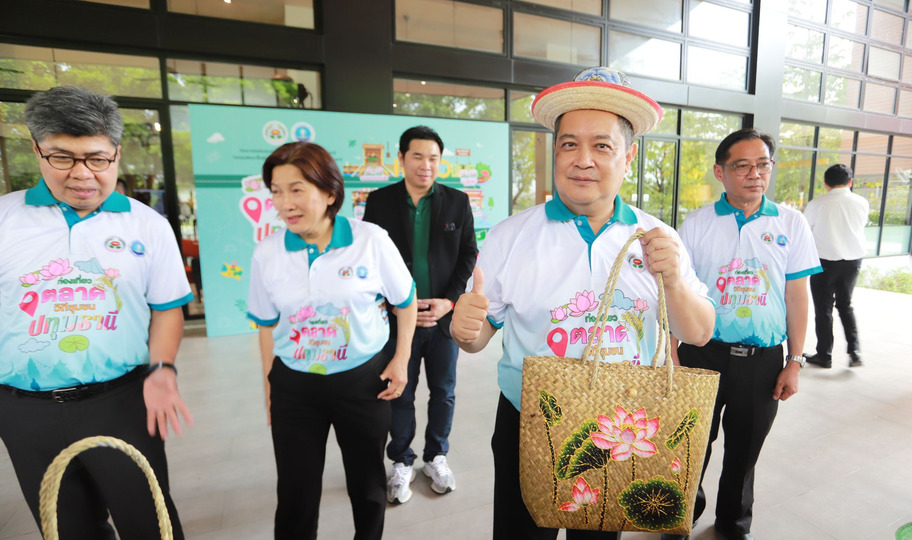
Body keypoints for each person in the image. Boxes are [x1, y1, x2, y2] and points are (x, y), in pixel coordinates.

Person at [450, 67, 716, 540]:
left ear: (628, 157)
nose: (582, 160)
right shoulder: (511, 236)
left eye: (602, 146)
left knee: (599, 534)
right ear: (555, 152)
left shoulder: (657, 237)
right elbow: (479, 336)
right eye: (569, 144)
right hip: (530, 419)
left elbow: (699, 333)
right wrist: (465, 331)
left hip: (622, 424)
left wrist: (673, 281)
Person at [0, 86, 193, 540]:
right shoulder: (5, 219)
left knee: (150, 522)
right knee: (68, 528)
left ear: (116, 154)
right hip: (24, 410)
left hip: (122, 401)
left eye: (97, 158)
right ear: (37, 150)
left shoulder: (148, 225)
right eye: (63, 157)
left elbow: (167, 309)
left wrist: (162, 369)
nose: (82, 174)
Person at [246, 141, 417, 539]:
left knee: (368, 486)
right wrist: (269, 385)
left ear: (328, 192)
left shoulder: (369, 240)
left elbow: (406, 301)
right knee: (295, 492)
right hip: (294, 387)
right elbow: (267, 326)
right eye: (276, 191)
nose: (285, 203)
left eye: (296, 189)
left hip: (363, 382)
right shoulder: (267, 254)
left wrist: (401, 359)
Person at [665, 128, 822, 540]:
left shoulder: (791, 222)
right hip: (702, 354)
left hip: (762, 361)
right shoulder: (696, 223)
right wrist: (672, 354)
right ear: (720, 171)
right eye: (742, 166)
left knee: (745, 450)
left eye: (763, 164)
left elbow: (797, 295)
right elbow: (676, 292)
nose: (755, 174)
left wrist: (795, 361)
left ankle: (733, 524)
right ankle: (679, 519)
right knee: (689, 445)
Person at [363, 125, 477, 503]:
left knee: (443, 391)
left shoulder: (458, 201)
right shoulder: (380, 201)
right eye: (417, 156)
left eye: (433, 158)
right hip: (399, 319)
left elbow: (468, 254)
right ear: (401, 158)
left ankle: (436, 456)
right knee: (400, 390)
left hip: (442, 318)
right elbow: (371, 258)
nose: (426, 165)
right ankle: (401, 460)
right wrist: (393, 305)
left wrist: (450, 301)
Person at [801, 163, 868, 369]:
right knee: (845, 305)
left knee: (824, 309)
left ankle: (824, 355)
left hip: (824, 262)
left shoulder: (817, 204)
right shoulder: (861, 202)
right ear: (850, 182)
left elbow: (805, 230)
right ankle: (855, 351)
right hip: (853, 261)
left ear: (825, 183)